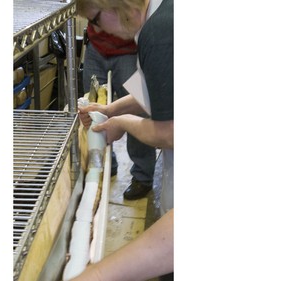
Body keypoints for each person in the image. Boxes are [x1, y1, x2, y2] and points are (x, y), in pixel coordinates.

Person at [72, 0, 174, 279]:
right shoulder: (162, 17)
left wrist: (121, 123)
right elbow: (152, 91)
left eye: (94, 19)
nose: (96, 28)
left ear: (113, 5)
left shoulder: (160, 32)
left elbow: (171, 133)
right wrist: (110, 110)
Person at [82, 22, 156, 200]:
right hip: (96, 47)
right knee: (93, 111)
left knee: (139, 110)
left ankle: (142, 176)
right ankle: (107, 163)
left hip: (128, 50)